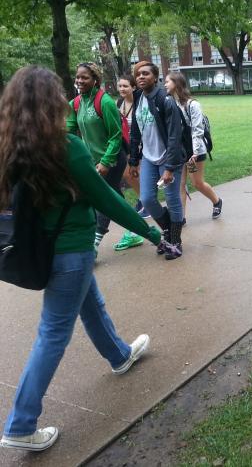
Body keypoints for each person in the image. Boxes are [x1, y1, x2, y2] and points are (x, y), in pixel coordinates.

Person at [0, 66, 162, 452]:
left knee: (90, 303)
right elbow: (105, 199)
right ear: (50, 104)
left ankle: (120, 355)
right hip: (70, 251)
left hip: (39, 249)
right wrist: (152, 231)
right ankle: (21, 425)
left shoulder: (9, 148)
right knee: (53, 333)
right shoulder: (66, 147)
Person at [67, 63, 143, 256]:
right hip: (93, 160)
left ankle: (93, 245)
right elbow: (69, 128)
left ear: (95, 80)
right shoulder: (77, 103)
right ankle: (136, 230)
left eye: (84, 77)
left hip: (113, 158)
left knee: (103, 198)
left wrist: (106, 161)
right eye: (78, 77)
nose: (79, 81)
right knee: (114, 196)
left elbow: (115, 135)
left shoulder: (105, 102)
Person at [128, 61, 186, 260]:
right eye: (138, 74)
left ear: (155, 77)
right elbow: (135, 130)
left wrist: (169, 167)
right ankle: (169, 231)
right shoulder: (138, 98)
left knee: (172, 198)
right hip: (149, 158)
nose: (141, 77)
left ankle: (175, 240)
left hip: (168, 158)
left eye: (145, 74)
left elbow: (174, 136)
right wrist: (133, 160)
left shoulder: (165, 99)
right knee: (147, 199)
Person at [165, 71, 222, 220]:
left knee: (196, 183)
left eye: (167, 82)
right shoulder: (170, 103)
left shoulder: (193, 104)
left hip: (193, 152)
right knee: (180, 185)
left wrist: (195, 153)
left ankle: (217, 201)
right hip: (180, 151)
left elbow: (197, 130)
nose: (164, 84)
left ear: (176, 84)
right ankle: (180, 218)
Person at [117, 74, 150, 219]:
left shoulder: (140, 102)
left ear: (133, 87)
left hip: (141, 145)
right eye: (120, 86)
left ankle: (147, 204)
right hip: (126, 145)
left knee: (137, 174)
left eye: (125, 86)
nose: (122, 89)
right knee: (128, 175)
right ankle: (143, 200)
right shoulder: (119, 103)